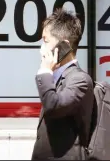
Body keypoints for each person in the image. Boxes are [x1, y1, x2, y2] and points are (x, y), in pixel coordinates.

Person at [31, 8, 94, 160]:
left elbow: (53, 106)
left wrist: (45, 71)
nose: (42, 48)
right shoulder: (55, 76)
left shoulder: (80, 80)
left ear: (64, 45)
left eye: (46, 41)